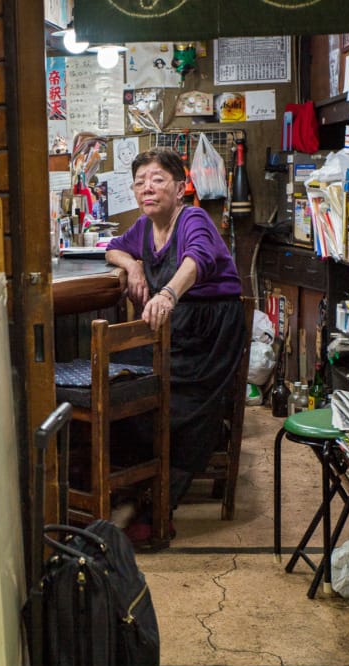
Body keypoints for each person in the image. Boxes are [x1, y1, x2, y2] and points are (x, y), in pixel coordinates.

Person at [105, 147, 245, 548]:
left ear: (180, 188)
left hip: (208, 333)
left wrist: (167, 293)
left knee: (158, 389)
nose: (147, 188)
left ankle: (158, 498)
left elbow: (197, 258)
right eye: (139, 182)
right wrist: (132, 265)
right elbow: (113, 246)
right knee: (119, 372)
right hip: (174, 332)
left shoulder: (193, 218)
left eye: (157, 179)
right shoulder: (145, 227)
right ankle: (134, 485)